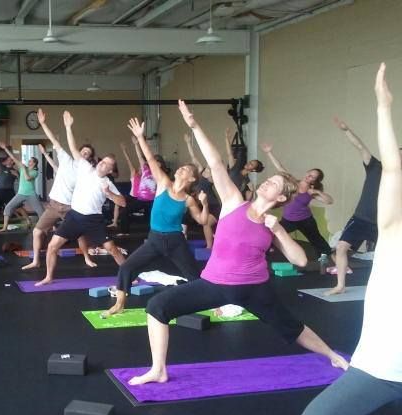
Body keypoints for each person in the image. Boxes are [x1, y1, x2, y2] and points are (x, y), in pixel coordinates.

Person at [128, 100, 348, 387]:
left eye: (274, 185)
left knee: (291, 326)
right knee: (157, 306)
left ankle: (332, 355)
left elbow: (300, 260)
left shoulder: (271, 225)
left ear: (281, 198)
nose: (267, 183)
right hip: (215, 284)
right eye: (268, 180)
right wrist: (194, 126)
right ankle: (158, 369)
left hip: (254, 288)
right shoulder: (233, 202)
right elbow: (216, 164)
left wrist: (278, 230)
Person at [280, 62, 402, 415]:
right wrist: (383, 108)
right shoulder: (393, 231)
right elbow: (392, 169)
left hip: (379, 370)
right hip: (376, 372)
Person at [102, 118, 209, 317]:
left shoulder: (188, 200)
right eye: (181, 167)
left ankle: (212, 303)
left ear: (192, 178)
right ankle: (120, 304)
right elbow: (151, 160)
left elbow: (202, 221)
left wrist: (205, 203)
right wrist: (140, 137)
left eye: (186, 169)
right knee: (126, 268)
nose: (181, 169)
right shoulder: (164, 184)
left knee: (194, 276)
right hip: (155, 239)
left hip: (176, 242)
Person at [35, 111, 127, 286]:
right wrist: (68, 127)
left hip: (94, 220)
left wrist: (109, 194)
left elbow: (122, 202)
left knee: (112, 249)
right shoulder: (85, 168)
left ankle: (129, 276)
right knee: (52, 246)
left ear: (110, 170)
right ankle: (48, 277)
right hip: (74, 216)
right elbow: (73, 148)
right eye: (103, 161)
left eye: (107, 164)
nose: (103, 164)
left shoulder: (107, 183)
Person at [22, 109, 97, 270]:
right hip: (54, 205)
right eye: (83, 151)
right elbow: (54, 141)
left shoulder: (86, 171)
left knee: (80, 235)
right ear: (78, 151)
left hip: (71, 208)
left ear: (89, 158)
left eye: (87, 154)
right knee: (37, 231)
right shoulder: (65, 159)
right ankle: (36, 261)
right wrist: (43, 124)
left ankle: (86, 258)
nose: (84, 154)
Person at [325, 117, 382, 295]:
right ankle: (340, 285)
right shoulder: (376, 167)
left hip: (384, 223)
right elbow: (360, 147)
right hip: (360, 219)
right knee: (341, 247)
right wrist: (346, 130)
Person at [261, 142, 334, 259]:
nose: (308, 176)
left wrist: (318, 192)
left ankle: (328, 258)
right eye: (309, 173)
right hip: (288, 220)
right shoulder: (293, 183)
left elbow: (329, 201)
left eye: (312, 176)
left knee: (316, 239)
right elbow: (280, 168)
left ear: (314, 181)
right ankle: (262, 253)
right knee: (271, 233)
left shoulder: (311, 192)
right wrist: (269, 152)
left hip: (306, 220)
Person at [0, 143, 45, 232]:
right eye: (29, 161)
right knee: (8, 208)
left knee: (41, 211)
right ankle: (4, 227)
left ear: (34, 164)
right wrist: (5, 148)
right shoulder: (23, 167)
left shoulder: (35, 172)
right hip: (21, 193)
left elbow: (27, 178)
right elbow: (13, 157)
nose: (29, 162)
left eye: (31, 161)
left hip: (31, 194)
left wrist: (24, 169)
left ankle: (50, 227)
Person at [114, 136, 158, 234]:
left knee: (151, 217)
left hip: (152, 200)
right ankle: (123, 230)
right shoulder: (143, 170)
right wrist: (136, 144)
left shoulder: (157, 173)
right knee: (125, 211)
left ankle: (153, 233)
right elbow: (140, 157)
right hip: (140, 199)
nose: (140, 168)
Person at [184, 132, 220, 248]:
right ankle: (183, 237)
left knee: (206, 223)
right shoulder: (200, 171)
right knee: (185, 216)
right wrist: (188, 143)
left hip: (213, 206)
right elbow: (193, 157)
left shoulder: (211, 177)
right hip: (200, 205)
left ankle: (209, 247)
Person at [225, 127, 264, 200]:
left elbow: (249, 198)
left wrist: (252, 191)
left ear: (253, 170)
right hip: (224, 196)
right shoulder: (235, 167)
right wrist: (227, 138)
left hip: (233, 201)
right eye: (250, 162)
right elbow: (229, 154)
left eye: (251, 164)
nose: (249, 163)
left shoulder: (247, 181)